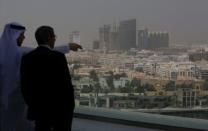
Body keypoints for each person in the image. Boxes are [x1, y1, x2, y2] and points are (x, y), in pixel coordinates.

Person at [0, 22, 82, 131]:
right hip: (16, 101)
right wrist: (68, 46)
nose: (24, 37)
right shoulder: (19, 52)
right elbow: (44, 52)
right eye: (21, 35)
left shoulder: (17, 54)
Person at [20, 26, 75, 131]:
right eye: (54, 36)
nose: (55, 39)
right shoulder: (58, 57)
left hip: (38, 112)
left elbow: (25, 87)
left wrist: (33, 105)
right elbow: (66, 87)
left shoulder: (27, 58)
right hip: (58, 111)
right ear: (50, 38)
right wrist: (69, 109)